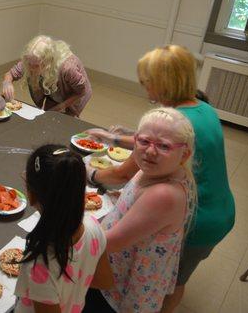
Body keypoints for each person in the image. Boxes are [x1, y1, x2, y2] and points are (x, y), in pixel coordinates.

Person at [86, 45, 235, 312]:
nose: (144, 88)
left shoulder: (167, 191)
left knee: (170, 281)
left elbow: (122, 173)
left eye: (147, 82)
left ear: (162, 83)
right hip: (221, 206)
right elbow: (164, 137)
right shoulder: (203, 108)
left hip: (202, 220)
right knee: (169, 275)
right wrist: (119, 138)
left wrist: (89, 173)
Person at [83, 107, 196, 313]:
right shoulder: (155, 169)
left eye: (164, 146)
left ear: (184, 154)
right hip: (116, 262)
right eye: (144, 141)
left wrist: (65, 227)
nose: (151, 151)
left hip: (120, 282)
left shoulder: (164, 195)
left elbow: (110, 242)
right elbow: (136, 202)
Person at [15, 145, 113, 313]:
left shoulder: (39, 263)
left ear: (31, 196)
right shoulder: (93, 227)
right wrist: (73, 279)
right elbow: (105, 281)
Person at [2, 35, 92, 116]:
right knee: (48, 114)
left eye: (36, 66)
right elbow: (10, 74)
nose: (31, 68)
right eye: (29, 64)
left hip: (73, 93)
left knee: (65, 117)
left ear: (48, 62)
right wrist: (7, 83)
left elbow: (81, 91)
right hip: (52, 87)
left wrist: (61, 107)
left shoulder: (67, 68)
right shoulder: (31, 59)